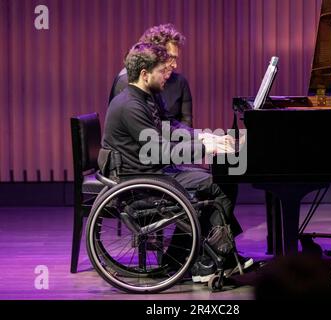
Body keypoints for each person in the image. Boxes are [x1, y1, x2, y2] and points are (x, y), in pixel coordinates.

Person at [101, 42, 252, 283]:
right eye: (162, 71)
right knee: (218, 184)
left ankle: (190, 258)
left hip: (150, 172)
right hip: (142, 182)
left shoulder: (142, 97)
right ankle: (211, 259)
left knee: (215, 179)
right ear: (144, 74)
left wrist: (204, 136)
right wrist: (205, 148)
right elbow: (160, 151)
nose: (167, 76)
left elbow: (166, 129)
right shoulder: (131, 105)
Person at [109, 23, 193, 127]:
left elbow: (165, 125)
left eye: (175, 59)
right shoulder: (127, 81)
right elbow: (149, 136)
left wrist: (200, 138)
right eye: (170, 57)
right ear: (154, 52)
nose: (175, 65)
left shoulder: (156, 84)